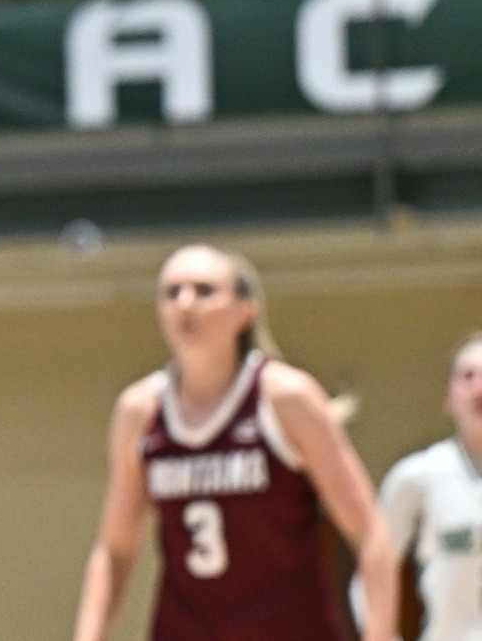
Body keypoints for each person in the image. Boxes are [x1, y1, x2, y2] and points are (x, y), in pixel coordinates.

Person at [73, 245, 398, 641]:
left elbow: (371, 534)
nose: (185, 303)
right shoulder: (139, 412)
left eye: (204, 290)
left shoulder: (286, 399)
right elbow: (115, 550)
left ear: (246, 310)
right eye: (172, 292)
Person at [378, 332, 482, 641]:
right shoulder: (418, 476)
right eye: (468, 376)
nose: (479, 387)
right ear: (449, 396)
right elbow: (372, 570)